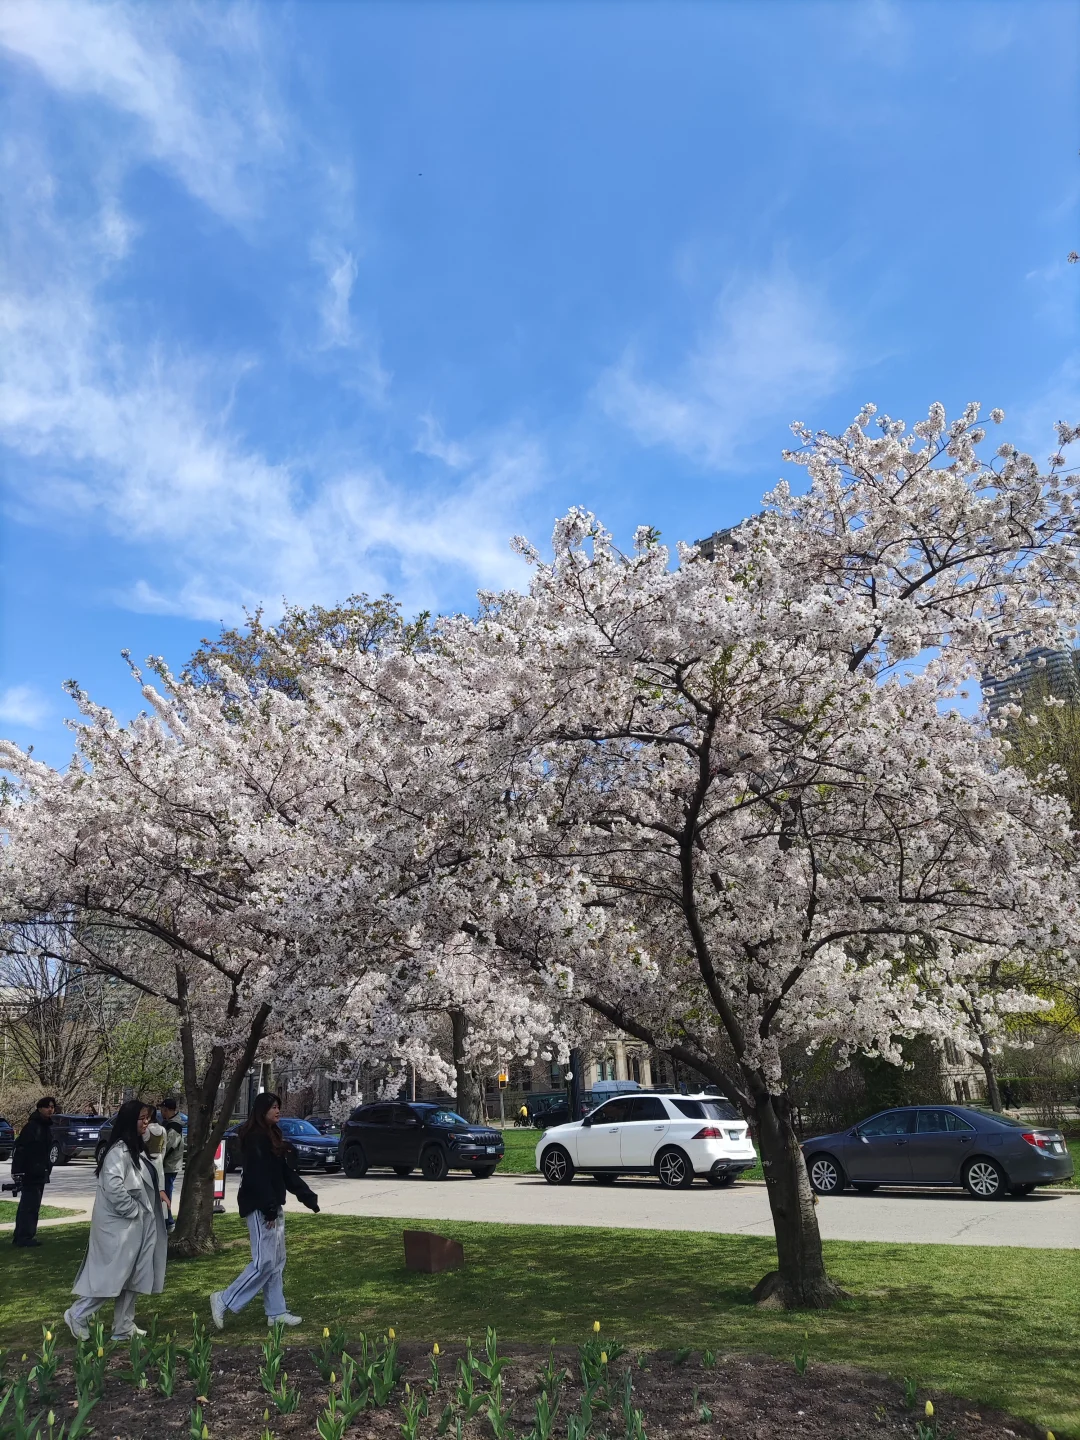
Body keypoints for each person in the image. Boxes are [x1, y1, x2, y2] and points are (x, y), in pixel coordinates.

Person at [209, 1093, 319, 1331]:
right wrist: (268, 1209)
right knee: (265, 1262)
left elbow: (283, 1173)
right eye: (273, 1107)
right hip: (260, 1207)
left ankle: (276, 1312)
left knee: (277, 1261)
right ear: (262, 1111)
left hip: (271, 1205)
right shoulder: (255, 1138)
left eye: (279, 1106)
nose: (278, 1110)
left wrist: (307, 1196)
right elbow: (256, 1177)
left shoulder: (271, 1135)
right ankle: (224, 1299)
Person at [63, 1099, 167, 1342]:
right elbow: (114, 1187)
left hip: (137, 1224)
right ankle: (78, 1314)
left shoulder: (136, 1148)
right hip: (120, 1226)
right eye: (142, 1118)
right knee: (112, 1276)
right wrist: (133, 1210)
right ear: (130, 1121)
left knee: (134, 1275)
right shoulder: (118, 1152)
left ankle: (123, 1325)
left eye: (148, 1118)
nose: (146, 1123)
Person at [10, 1097, 56, 1248]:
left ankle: (23, 1235)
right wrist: (17, 1172)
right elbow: (20, 1150)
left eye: (52, 1107)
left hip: (41, 1171)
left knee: (32, 1205)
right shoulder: (32, 1127)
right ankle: (24, 1236)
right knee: (29, 1206)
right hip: (30, 1172)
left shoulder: (46, 1127)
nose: (50, 1110)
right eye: (47, 1107)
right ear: (40, 1108)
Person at [159, 1098, 184, 1231]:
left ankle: (168, 1221)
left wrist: (159, 1159)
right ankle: (166, 1220)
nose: (161, 1112)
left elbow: (169, 1147)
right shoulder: (169, 1123)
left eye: (163, 1110)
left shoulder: (175, 1126)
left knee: (166, 1193)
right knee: (164, 1192)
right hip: (168, 1165)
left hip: (169, 1165)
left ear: (168, 1110)